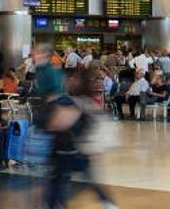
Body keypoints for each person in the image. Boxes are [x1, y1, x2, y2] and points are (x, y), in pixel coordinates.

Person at [44, 68, 117, 209]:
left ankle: (108, 204)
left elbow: (57, 124)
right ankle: (108, 204)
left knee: (60, 181)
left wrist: (53, 113)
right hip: (75, 150)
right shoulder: (84, 100)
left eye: (72, 79)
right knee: (76, 180)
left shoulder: (74, 101)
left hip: (69, 150)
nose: (68, 81)